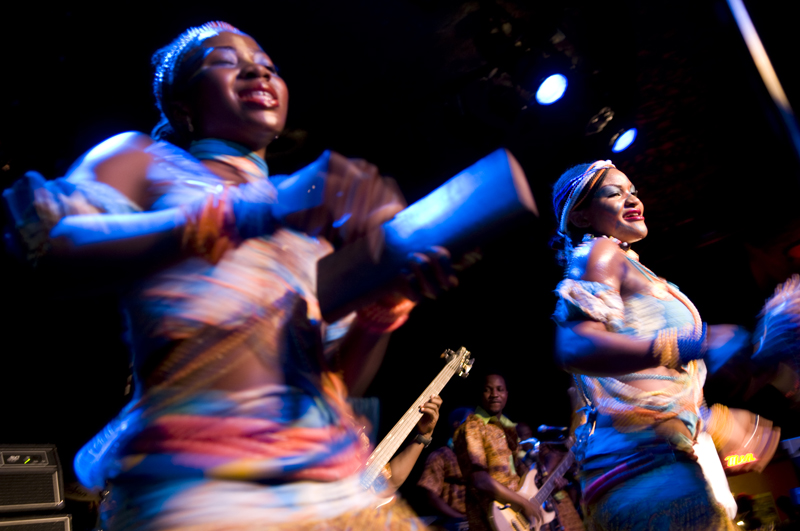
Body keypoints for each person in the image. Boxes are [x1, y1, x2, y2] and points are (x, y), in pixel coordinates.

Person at [3, 21, 460, 531]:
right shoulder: (141, 160)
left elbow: (336, 381)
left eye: (268, 65)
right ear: (182, 105)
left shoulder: (308, 222)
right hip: (205, 485)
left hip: (332, 485)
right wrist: (246, 213)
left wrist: (381, 312)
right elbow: (46, 248)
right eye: (225, 60)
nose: (257, 71)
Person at [550, 160, 782, 530]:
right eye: (614, 194)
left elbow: (650, 385)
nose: (632, 199)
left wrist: (717, 421)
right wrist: (694, 343)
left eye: (633, 192)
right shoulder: (600, 253)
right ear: (580, 216)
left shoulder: (631, 266)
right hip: (645, 473)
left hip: (657, 467)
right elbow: (574, 346)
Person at [453, 373, 542, 531]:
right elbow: (480, 480)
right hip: (489, 518)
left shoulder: (507, 429)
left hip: (514, 516)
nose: (494, 394)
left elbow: (517, 474)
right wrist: (523, 502)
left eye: (499, 389)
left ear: (506, 394)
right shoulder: (472, 427)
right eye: (488, 389)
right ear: (480, 394)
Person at [417, 407, 473, 531]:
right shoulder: (440, 456)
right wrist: (460, 518)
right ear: (456, 424)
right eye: (470, 421)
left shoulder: (477, 457)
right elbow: (431, 495)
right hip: (451, 523)